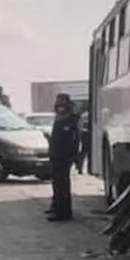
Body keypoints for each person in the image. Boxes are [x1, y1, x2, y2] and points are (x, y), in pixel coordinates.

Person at [47, 94, 81, 222]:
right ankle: (56, 207)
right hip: (56, 156)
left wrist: (73, 157)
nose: (59, 106)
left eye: (62, 103)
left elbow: (73, 140)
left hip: (64, 157)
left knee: (62, 184)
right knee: (57, 183)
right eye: (57, 103)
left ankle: (63, 212)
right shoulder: (59, 118)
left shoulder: (71, 120)